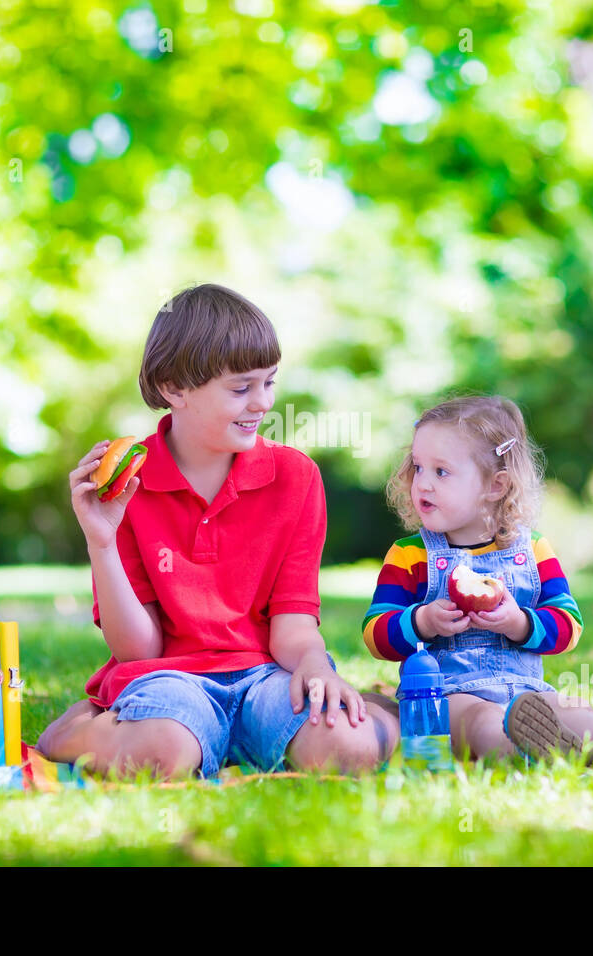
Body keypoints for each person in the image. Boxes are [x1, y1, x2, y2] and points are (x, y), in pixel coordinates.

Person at [36, 283, 397, 779]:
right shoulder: (125, 487)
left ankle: (381, 711)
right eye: (241, 388)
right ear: (174, 389)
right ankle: (76, 730)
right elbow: (139, 649)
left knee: (349, 752)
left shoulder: (296, 478)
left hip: (266, 677)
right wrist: (102, 540)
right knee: (160, 757)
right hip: (169, 681)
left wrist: (314, 663)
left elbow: (292, 626)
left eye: (269, 382)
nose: (264, 403)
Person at [361, 394, 593, 765]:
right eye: (418, 467)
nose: (423, 484)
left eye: (441, 471)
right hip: (448, 697)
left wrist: (520, 622)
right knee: (483, 721)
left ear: (495, 486)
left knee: (576, 711)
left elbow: (569, 625)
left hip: (527, 695)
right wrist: (421, 621)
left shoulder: (532, 549)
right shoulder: (410, 556)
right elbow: (375, 633)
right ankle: (541, 755)